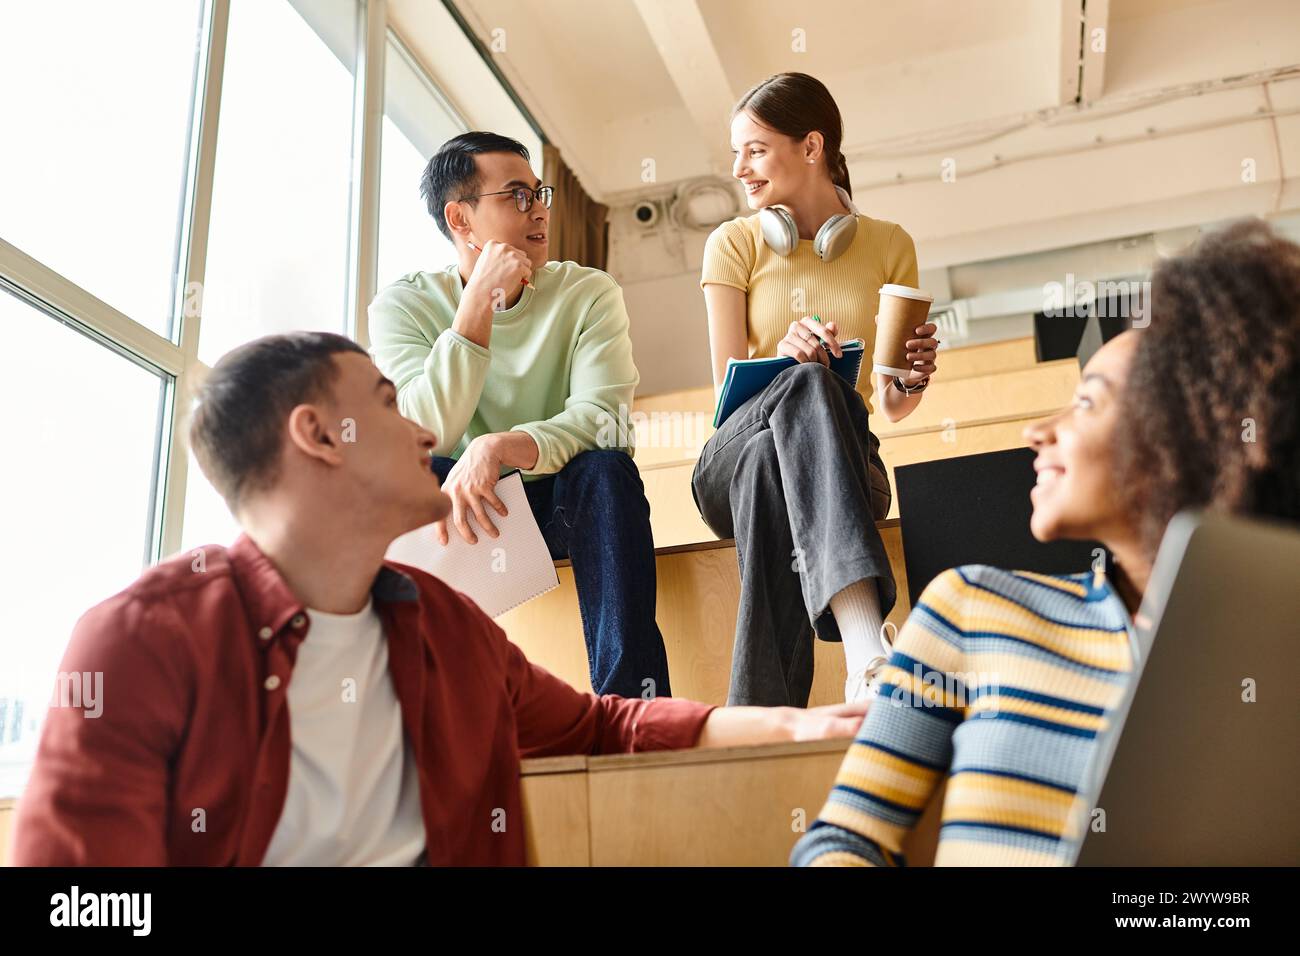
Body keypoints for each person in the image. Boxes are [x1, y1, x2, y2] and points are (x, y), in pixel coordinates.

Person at [12, 332, 869, 867]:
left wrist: (793, 724)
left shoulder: (442, 624)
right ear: (317, 435)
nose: (426, 433)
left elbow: (603, 727)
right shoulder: (139, 643)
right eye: (389, 403)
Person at [791, 217, 1300, 866]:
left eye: (1088, 402)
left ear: (1188, 437)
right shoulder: (970, 608)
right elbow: (840, 841)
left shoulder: (1275, 651)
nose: (1039, 430)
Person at [368, 131, 668, 699]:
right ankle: (422, 709)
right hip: (468, 514)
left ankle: (633, 706)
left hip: (566, 506)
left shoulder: (588, 292)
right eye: (518, 197)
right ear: (461, 218)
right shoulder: (403, 305)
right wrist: (476, 306)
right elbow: (422, 434)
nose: (541, 212)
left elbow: (606, 419)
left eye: (540, 194)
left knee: (606, 469)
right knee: (403, 477)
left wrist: (499, 446)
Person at [693, 73, 940, 707]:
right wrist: (782, 362)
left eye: (754, 149)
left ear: (811, 146)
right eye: (736, 154)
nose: (740, 170)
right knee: (802, 384)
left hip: (841, 468)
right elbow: (725, 388)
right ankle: (866, 650)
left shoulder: (890, 245)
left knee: (770, 476)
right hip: (731, 448)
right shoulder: (733, 244)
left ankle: (759, 719)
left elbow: (890, 403)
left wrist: (910, 377)